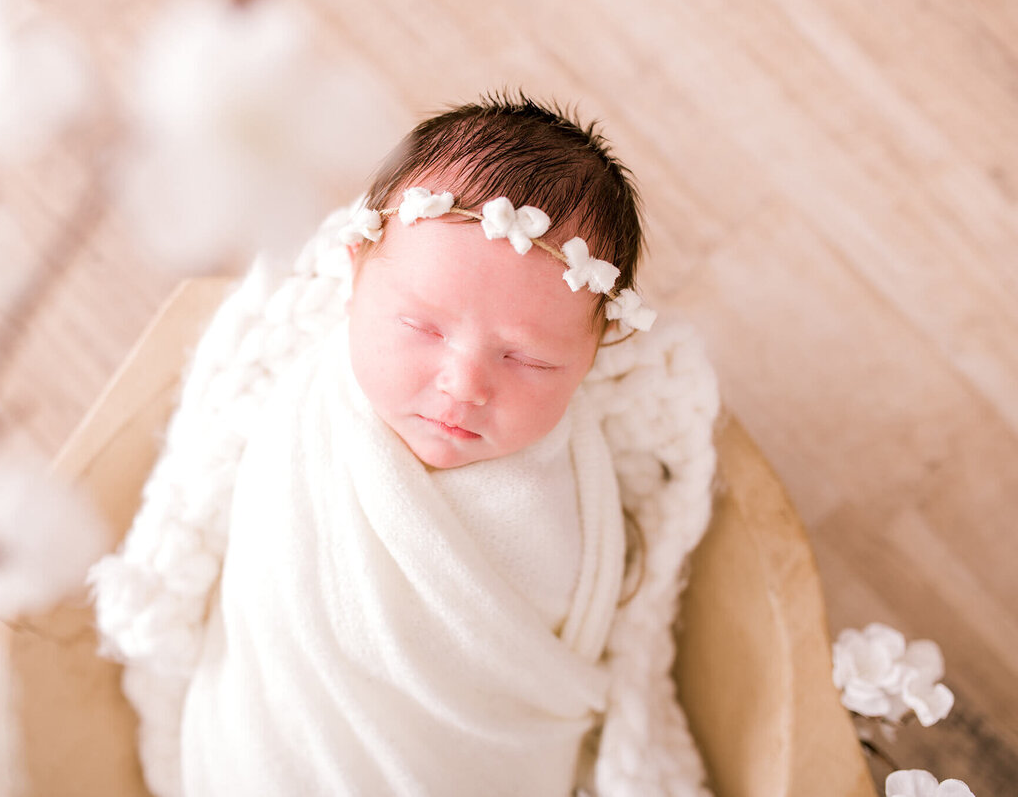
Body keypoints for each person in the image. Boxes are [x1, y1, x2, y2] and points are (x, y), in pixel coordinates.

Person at [91, 94, 718, 797]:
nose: (464, 384)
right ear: (357, 272)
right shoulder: (302, 398)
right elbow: (215, 508)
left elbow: (555, 667)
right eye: (423, 327)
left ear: (592, 352)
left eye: (528, 361)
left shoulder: (577, 489)